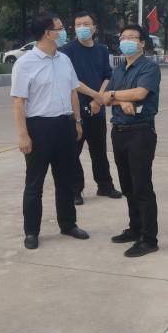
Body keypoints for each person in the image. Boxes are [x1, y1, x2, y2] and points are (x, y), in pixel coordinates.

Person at [11, 14, 89, 250]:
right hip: (39, 128)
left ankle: (68, 224)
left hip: (65, 125)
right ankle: (31, 231)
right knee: (34, 183)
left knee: (65, 179)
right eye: (60, 28)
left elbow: (73, 91)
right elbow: (18, 101)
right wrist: (23, 134)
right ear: (47, 33)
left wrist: (77, 121)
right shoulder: (25, 63)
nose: (64, 32)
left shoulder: (64, 60)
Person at [103, 24, 162, 257]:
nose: (126, 41)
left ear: (142, 43)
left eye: (132, 37)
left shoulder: (149, 67)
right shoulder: (119, 69)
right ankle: (135, 228)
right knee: (127, 185)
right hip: (118, 131)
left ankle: (149, 238)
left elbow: (140, 93)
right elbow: (104, 98)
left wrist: (114, 96)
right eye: (123, 37)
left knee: (141, 186)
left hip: (140, 133)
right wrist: (120, 100)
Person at [60, 11, 122, 205]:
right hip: (75, 111)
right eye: (78, 25)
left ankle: (105, 186)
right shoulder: (67, 51)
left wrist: (99, 100)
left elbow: (107, 75)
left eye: (86, 24)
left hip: (97, 110)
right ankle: (75, 190)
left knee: (99, 151)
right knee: (73, 153)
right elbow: (71, 80)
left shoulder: (102, 50)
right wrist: (95, 95)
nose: (82, 28)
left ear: (94, 28)